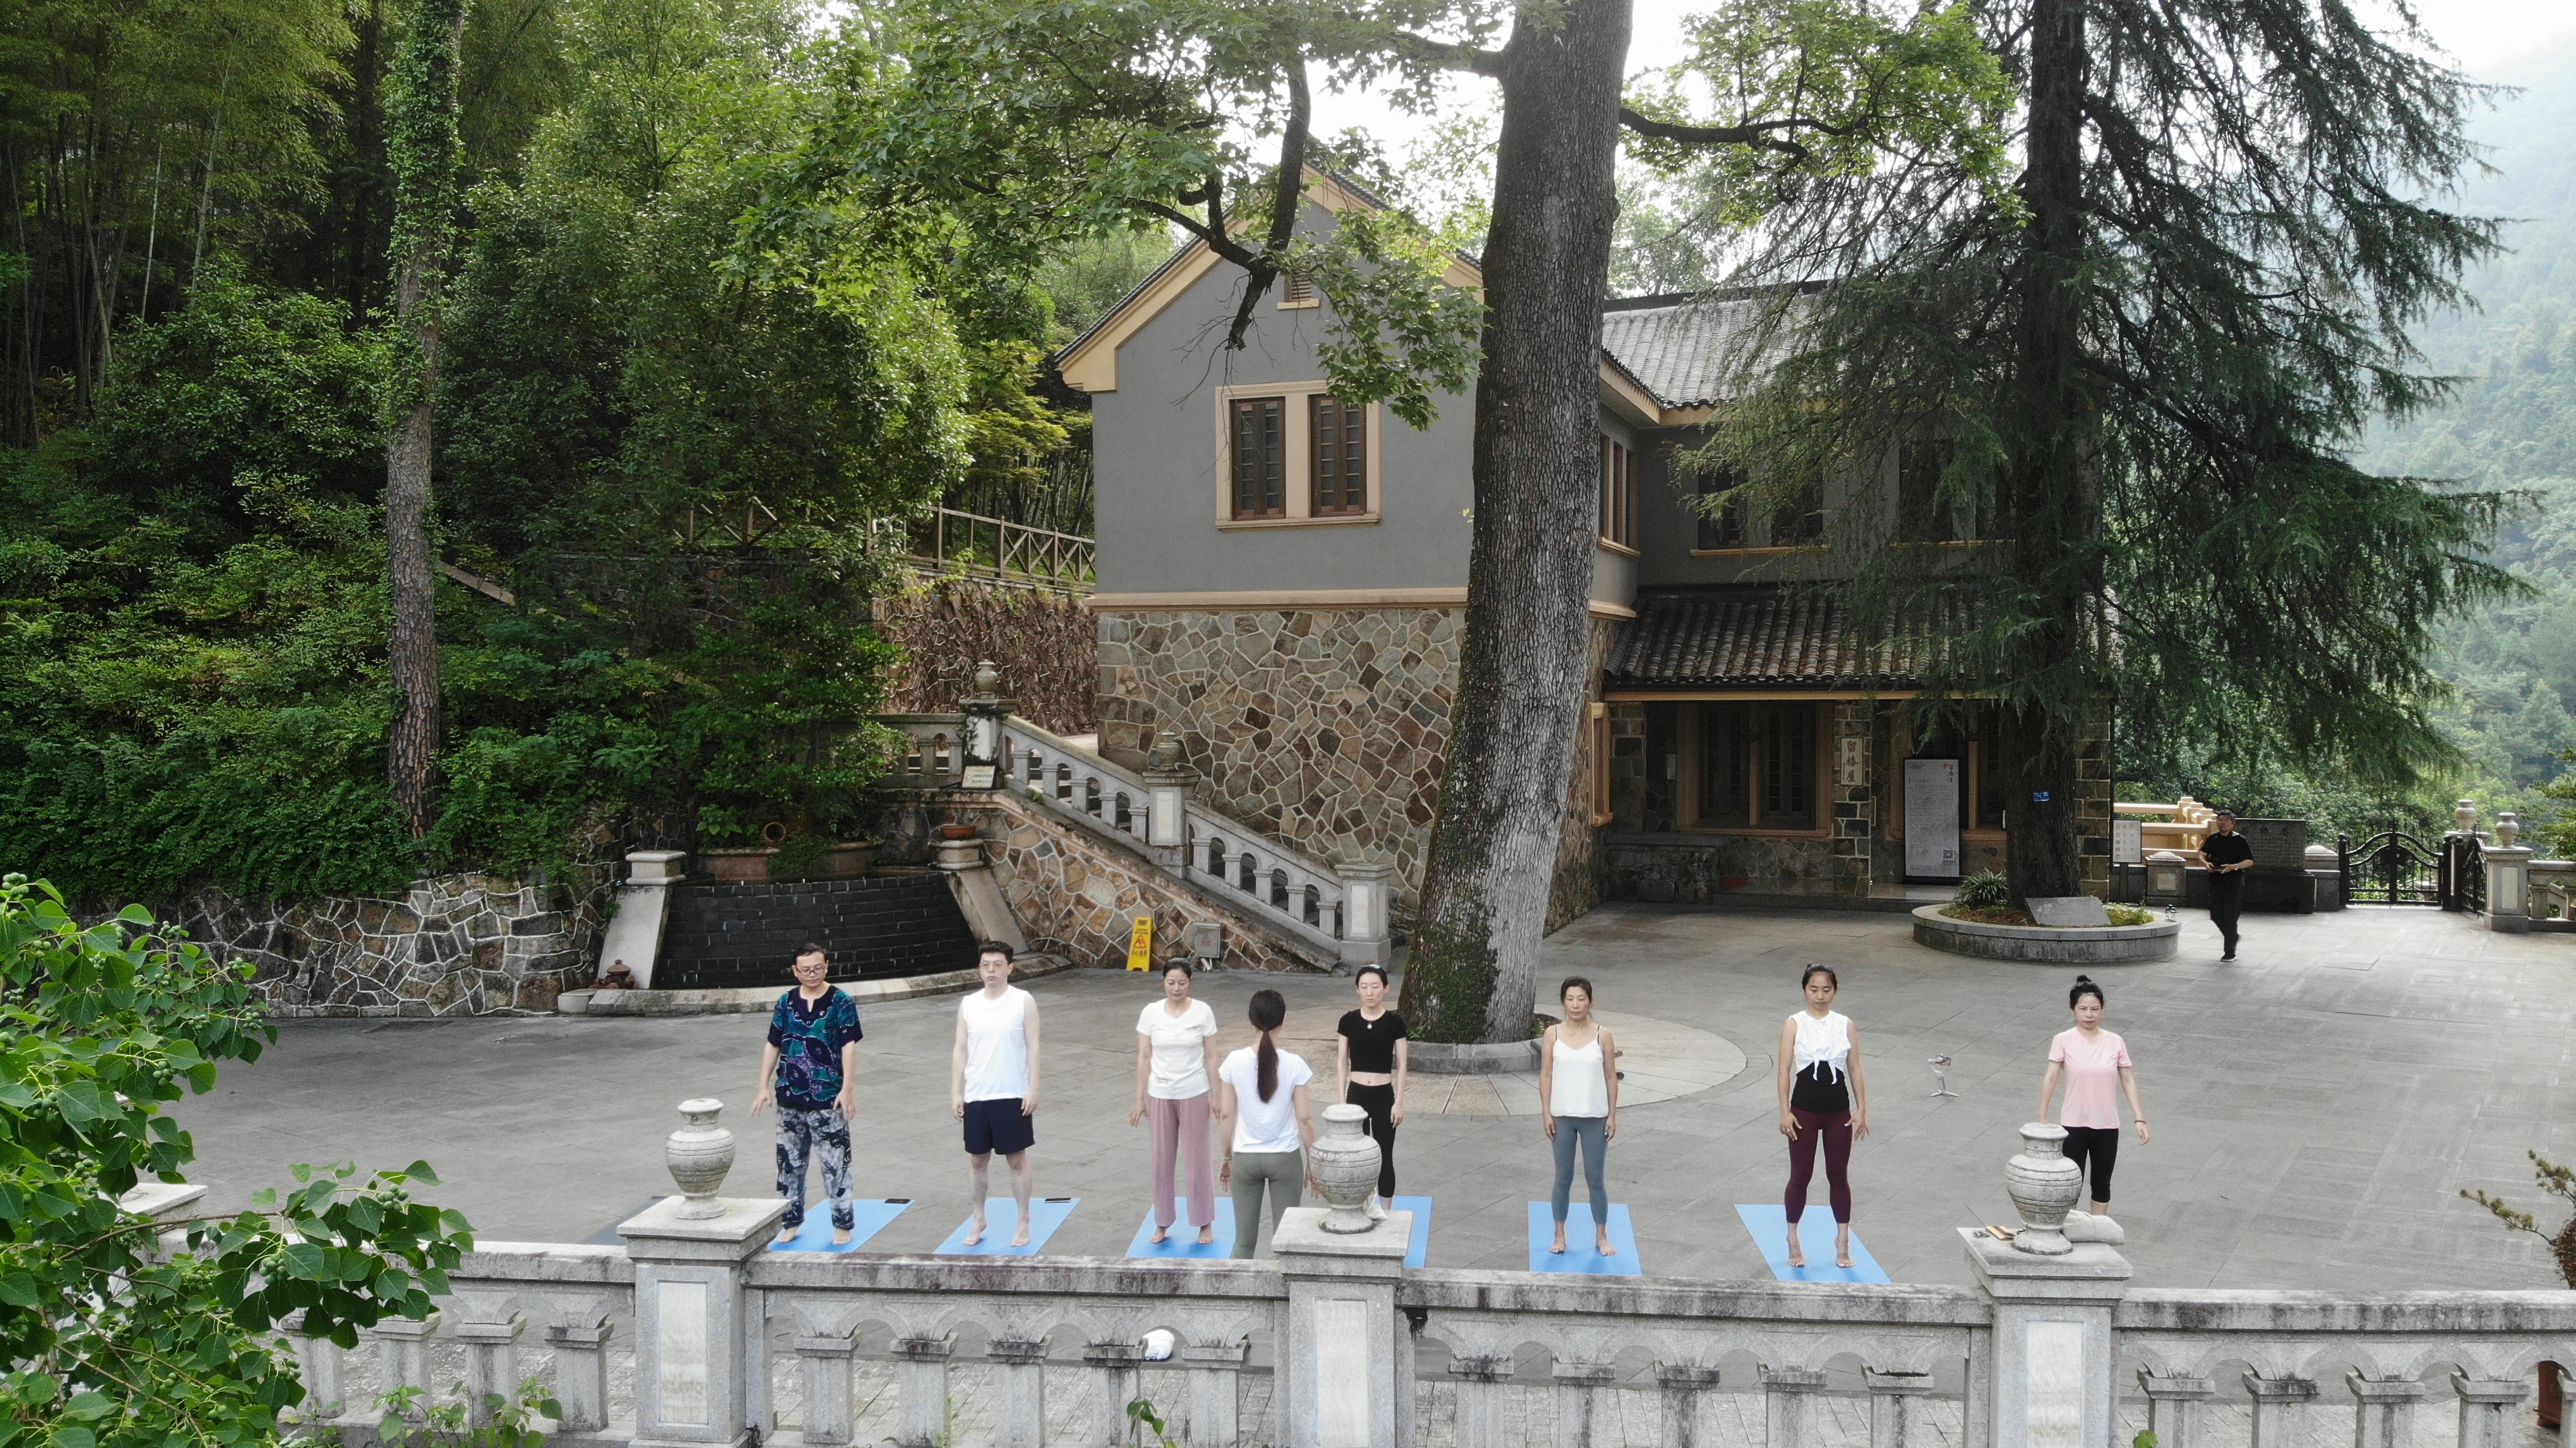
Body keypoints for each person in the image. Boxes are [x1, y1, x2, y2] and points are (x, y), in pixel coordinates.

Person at [750, 943, 862, 1244]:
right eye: (806, 970)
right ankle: (790, 1221)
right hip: (790, 1096)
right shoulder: (786, 1002)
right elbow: (773, 1043)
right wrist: (762, 1086)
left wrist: (847, 1088)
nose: (813, 974)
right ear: (795, 971)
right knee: (789, 1164)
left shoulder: (841, 1001)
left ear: (827, 967)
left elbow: (849, 1046)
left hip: (828, 1097)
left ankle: (842, 1223)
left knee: (836, 1163)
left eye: (818, 968)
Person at [1776, 963, 1870, 1269]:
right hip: (1803, 1110)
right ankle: (1792, 1237)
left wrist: (1862, 1108)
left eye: (1826, 990)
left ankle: (1842, 1240)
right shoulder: (1794, 1023)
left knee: (1838, 1175)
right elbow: (1784, 1069)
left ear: (1835, 991)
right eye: (1814, 989)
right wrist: (1784, 1111)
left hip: (1838, 1111)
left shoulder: (1845, 1024)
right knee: (1800, 1175)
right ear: (1805, 990)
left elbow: (1854, 1067)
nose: (1820, 996)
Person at [949, 941, 1042, 1247]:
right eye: (986, 965)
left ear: (1010, 968)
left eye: (998, 964)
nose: (991, 970)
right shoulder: (969, 1004)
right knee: (977, 1161)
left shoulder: (1023, 1001)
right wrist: (956, 1091)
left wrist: (1033, 1088)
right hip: (977, 1095)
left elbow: (1034, 1046)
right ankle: (979, 1217)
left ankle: (1024, 1220)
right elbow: (960, 1049)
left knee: (1017, 1160)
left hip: (1011, 1093)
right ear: (980, 968)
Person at [2037, 974, 2151, 1223]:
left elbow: (2128, 1079)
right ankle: (2071, 1230)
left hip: (2107, 1124)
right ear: (2073, 1010)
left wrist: (2140, 1119)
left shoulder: (2114, 1041)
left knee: (2102, 1184)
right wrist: (2042, 1118)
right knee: (2072, 1184)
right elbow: (2051, 1078)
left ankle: (2097, 1231)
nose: (2089, 1015)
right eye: (2083, 1009)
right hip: (2074, 1124)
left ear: (2102, 1010)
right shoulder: (2063, 1040)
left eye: (2095, 1009)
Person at [1214, 989, 1315, 1259]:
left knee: (1244, 1243)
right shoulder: (1295, 1064)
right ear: (1283, 1021)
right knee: (1286, 1244)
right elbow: (1305, 1119)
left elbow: (1227, 1115)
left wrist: (1227, 1156)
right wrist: (1313, 1160)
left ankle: (1237, 1287)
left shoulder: (1234, 1061)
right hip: (1285, 1158)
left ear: (1251, 1020)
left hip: (1245, 1158)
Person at [1130, 960, 1220, 1245]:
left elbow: (1212, 1057)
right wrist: (1139, 1098)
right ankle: (1162, 1221)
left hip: (1194, 1091)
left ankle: (1204, 1222)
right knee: (1162, 1161)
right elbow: (1144, 1057)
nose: (1176, 988)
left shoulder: (1202, 1011)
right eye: (1171, 983)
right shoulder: (1151, 1013)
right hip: (1160, 1093)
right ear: (1163, 982)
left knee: (1198, 1161)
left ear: (1190, 982)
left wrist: (1216, 1095)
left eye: (1182, 983)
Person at [1539, 976, 1620, 1256]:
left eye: (1581, 999)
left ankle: (1602, 1235)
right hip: (1562, 1116)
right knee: (1563, 1177)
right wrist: (1546, 1112)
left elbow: (1611, 1076)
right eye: (1570, 999)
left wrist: (1612, 1115)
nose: (1576, 1005)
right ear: (1563, 1002)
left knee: (1595, 1178)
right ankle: (1559, 1234)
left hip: (1594, 1117)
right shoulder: (1552, 1034)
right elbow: (1546, 1074)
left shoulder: (1602, 1035)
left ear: (1590, 1002)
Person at [1334, 964, 1409, 1220]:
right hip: (1356, 1096)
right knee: (1357, 1156)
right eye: (1364, 987)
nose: (1370, 992)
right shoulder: (1348, 1021)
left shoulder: (1395, 1023)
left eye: (1375, 987)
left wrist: (1400, 1101)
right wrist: (1342, 1100)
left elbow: (1402, 1064)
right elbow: (1342, 1061)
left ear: (1386, 989)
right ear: (1357, 989)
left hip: (1383, 1096)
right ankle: (1362, 1206)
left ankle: (1386, 1210)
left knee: (1384, 1154)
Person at [2201, 809, 2255, 960]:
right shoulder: (2213, 838)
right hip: (2216, 879)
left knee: (2230, 915)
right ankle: (2233, 936)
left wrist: (2234, 866)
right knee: (2215, 914)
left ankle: (2230, 952)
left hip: (2233, 880)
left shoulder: (2239, 840)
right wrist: (2206, 863)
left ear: (2232, 824)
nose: (2222, 823)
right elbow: (2202, 854)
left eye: (2226, 820)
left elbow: (2250, 861)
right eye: (2220, 820)